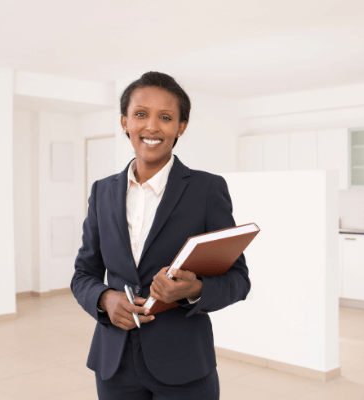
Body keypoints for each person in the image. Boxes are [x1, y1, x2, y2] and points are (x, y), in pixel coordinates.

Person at [70, 71, 251, 400]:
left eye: (165, 117)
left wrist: (194, 289)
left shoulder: (207, 190)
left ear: (180, 127)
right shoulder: (102, 192)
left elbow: (238, 280)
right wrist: (105, 299)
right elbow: (83, 273)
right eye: (140, 114)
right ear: (125, 121)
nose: (151, 127)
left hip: (184, 365)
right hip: (114, 363)